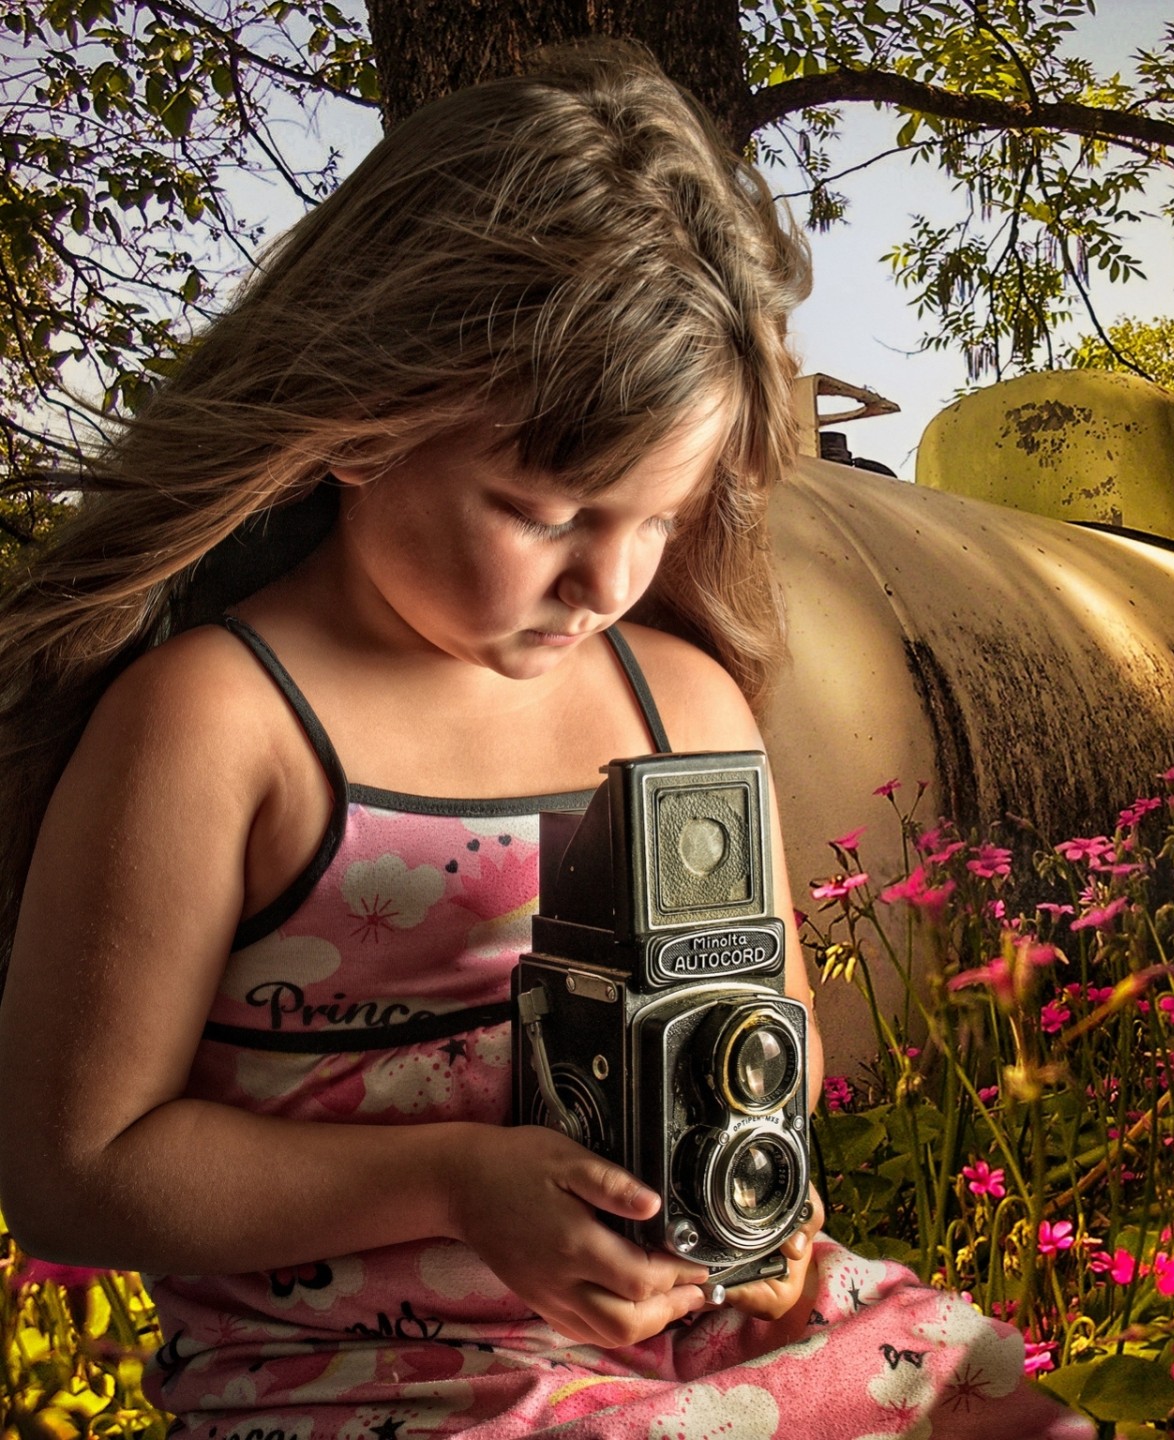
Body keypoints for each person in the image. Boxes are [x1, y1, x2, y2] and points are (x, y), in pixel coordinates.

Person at [0, 41, 1090, 1440]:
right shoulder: (221, 722)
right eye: (548, 514)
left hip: (695, 1325)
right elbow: (74, 1164)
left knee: (1006, 1407)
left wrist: (745, 1160)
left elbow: (783, 1035)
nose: (609, 584)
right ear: (364, 419)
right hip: (361, 1378)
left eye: (660, 520)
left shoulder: (679, 705)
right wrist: (461, 1182)